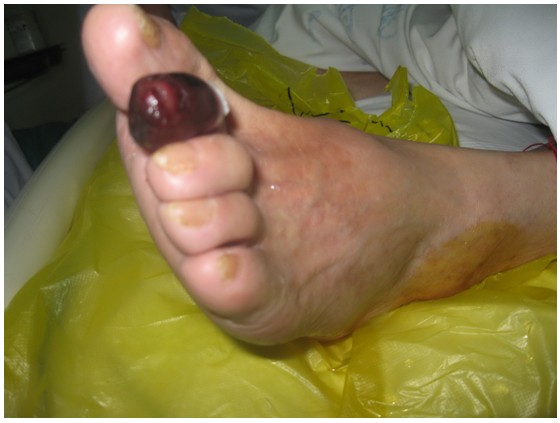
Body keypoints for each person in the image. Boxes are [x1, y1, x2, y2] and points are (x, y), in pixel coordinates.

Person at [81, 4, 556, 345]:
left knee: (504, 30)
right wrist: (156, 34)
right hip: (302, 29)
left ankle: (502, 199)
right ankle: (503, 197)